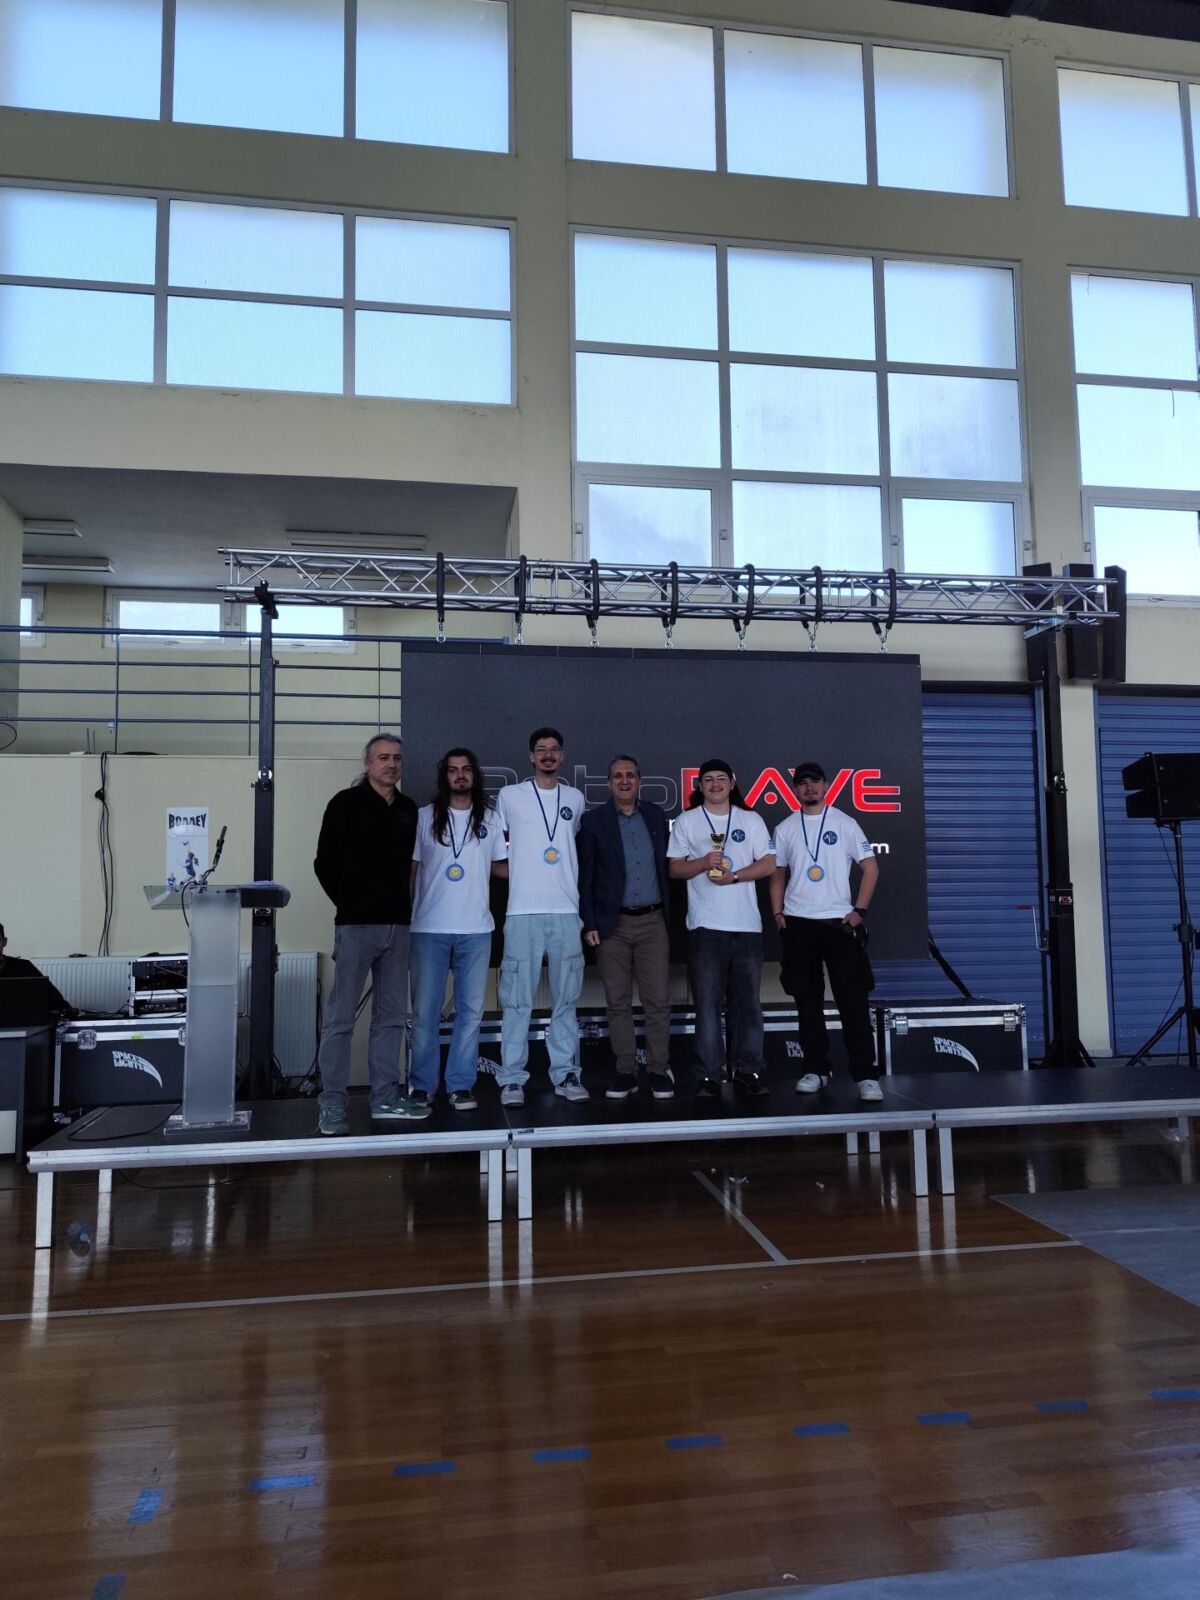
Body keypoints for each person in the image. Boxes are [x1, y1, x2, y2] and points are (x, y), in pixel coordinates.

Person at [313, 732, 430, 1135]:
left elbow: (412, 866)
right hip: (356, 927)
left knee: (392, 1018)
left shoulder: (408, 809)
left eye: (396, 758)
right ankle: (331, 1104)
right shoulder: (344, 804)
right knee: (340, 1019)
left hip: (398, 927)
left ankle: (385, 1098)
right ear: (367, 764)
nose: (391, 764)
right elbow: (324, 863)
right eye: (383, 758)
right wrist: (351, 903)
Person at [770, 761, 882, 1102]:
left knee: (853, 1002)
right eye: (803, 783)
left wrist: (859, 911)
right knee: (807, 1002)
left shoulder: (845, 823)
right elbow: (777, 873)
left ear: (826, 785)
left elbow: (870, 867)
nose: (809, 788)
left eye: (815, 782)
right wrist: (777, 913)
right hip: (798, 924)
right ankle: (816, 1069)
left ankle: (865, 1075)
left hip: (839, 925)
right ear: (795, 789)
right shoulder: (786, 828)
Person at [667, 758, 775, 1099]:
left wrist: (736, 876)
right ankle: (709, 1076)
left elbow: (769, 863)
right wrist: (703, 863)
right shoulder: (687, 821)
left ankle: (748, 1070)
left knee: (748, 1005)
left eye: (720, 779)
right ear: (699, 786)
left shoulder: (750, 819)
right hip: (705, 927)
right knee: (707, 1006)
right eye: (708, 780)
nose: (715, 785)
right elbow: (675, 869)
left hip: (746, 928)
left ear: (732, 782)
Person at [408, 748, 507, 1112]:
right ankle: (422, 1086)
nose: (460, 775)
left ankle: (460, 1085)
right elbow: (412, 870)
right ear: (444, 776)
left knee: (470, 1013)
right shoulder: (424, 817)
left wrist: (543, 871)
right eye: (453, 770)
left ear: (474, 776)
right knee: (425, 1013)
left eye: (466, 769)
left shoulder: (491, 819)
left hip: (476, 929)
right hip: (428, 928)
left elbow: (500, 866)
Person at [495, 726, 588, 1105]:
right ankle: (512, 1079)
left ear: (562, 756)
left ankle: (565, 1074)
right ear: (531, 757)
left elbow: (570, 847)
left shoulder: (575, 798)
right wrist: (523, 872)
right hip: (522, 912)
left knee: (566, 1001)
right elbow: (494, 852)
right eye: (541, 749)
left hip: (566, 911)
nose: (548, 755)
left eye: (554, 749)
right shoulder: (509, 796)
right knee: (517, 1002)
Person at [579, 755, 674, 1101]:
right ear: (609, 783)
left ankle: (659, 1070)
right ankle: (626, 1072)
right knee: (618, 1002)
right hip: (612, 925)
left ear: (639, 781)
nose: (624, 781)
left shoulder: (656, 816)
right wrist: (589, 922)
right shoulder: (594, 821)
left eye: (630, 775)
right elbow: (586, 877)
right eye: (617, 776)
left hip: (653, 922)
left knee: (657, 1001)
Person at [0, 923, 76, 1020]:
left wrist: (68, 1012)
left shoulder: (24, 967)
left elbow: (55, 998)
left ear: (4, 942)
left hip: (21, 1023)